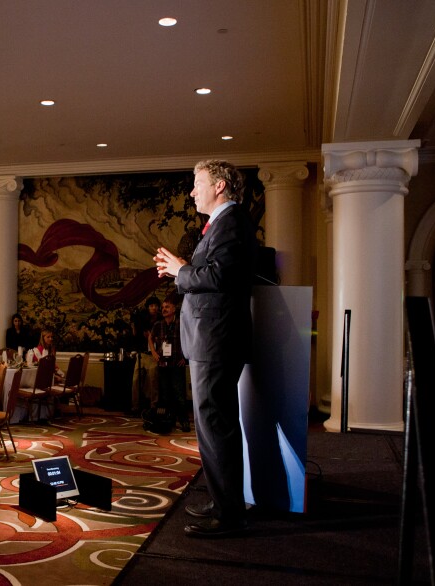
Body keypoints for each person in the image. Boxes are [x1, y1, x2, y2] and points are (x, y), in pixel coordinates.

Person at [154, 159, 255, 538]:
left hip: (216, 340)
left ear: (220, 186)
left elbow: (219, 275)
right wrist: (179, 270)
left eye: (198, 183)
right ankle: (223, 501)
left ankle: (230, 515)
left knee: (216, 425)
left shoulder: (231, 223)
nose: (192, 191)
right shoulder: (224, 224)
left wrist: (181, 270)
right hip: (211, 339)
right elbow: (212, 274)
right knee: (213, 425)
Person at [150, 298, 189, 432]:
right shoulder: (158, 325)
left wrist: (185, 357)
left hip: (177, 364)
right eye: (163, 307)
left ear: (174, 309)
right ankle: (169, 420)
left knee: (179, 394)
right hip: (163, 365)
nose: (164, 309)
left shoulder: (181, 323)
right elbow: (150, 338)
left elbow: (189, 339)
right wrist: (154, 353)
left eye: (167, 307)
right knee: (166, 395)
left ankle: (184, 421)